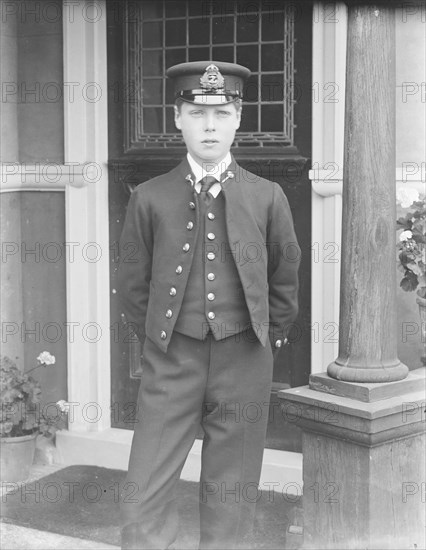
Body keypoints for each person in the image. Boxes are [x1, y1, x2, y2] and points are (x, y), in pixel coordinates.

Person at [118, 61, 300, 550]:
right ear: (177, 118)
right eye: (197, 112)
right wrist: (162, 338)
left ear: (238, 118)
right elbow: (133, 285)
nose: (210, 125)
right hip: (171, 358)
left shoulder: (268, 196)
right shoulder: (149, 198)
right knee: (145, 485)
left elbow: (284, 277)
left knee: (232, 487)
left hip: (244, 357)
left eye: (221, 112)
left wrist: (267, 341)